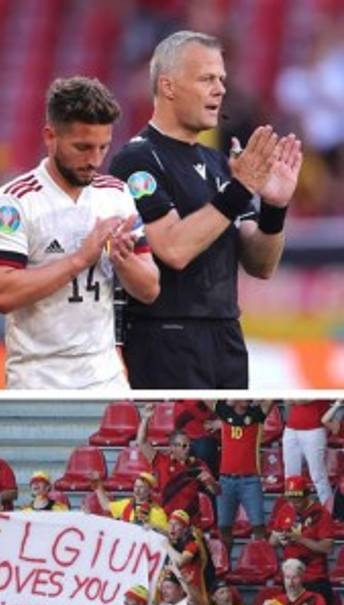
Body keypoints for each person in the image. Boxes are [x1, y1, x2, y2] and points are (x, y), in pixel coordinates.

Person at [108, 31, 303, 388]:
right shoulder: (137, 160)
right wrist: (241, 188)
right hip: (167, 338)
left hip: (226, 335)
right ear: (168, 86)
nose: (220, 89)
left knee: (232, 443)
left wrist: (274, 207)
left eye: (222, 80)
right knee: (180, 442)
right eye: (207, 78)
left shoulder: (218, 163)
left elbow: (261, 265)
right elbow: (173, 249)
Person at [0, 76, 159, 389]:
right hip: (38, 379)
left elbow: (149, 288)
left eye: (103, 147)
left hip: (105, 377)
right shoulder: (15, 200)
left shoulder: (115, 195)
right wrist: (80, 258)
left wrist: (122, 259)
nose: (94, 160)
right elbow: (3, 293)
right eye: (82, 147)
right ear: (50, 137)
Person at [213, 399, 274, 555]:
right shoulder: (224, 411)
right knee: (224, 527)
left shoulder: (257, 414)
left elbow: (271, 398)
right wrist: (227, 399)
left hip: (250, 479)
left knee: (259, 526)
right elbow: (206, 395)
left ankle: (262, 563)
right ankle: (225, 568)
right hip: (225, 479)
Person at [138, 404, 219, 521]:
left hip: (189, 522)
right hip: (164, 519)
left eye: (188, 445)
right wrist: (145, 419)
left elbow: (215, 491)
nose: (187, 449)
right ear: (172, 447)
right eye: (183, 446)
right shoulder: (161, 460)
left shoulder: (198, 465)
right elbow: (141, 442)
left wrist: (212, 483)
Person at [269, 476, 333, 605]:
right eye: (291, 499)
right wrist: (280, 539)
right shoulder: (285, 509)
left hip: (314, 578)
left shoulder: (321, 513)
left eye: (297, 500)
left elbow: (327, 547)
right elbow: (272, 541)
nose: (294, 504)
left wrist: (301, 539)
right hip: (291, 578)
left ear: (307, 495)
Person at [283, 401, 334, 507]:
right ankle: (293, 513)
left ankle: (329, 513)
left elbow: (305, 398)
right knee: (290, 476)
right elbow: (287, 399)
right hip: (291, 428)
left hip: (314, 428)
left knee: (318, 476)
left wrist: (294, 397)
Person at [93, 471, 168, 530]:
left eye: (141, 487)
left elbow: (166, 535)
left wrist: (154, 528)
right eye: (136, 486)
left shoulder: (157, 511)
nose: (137, 490)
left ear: (149, 490)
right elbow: (106, 506)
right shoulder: (126, 504)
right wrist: (97, 483)